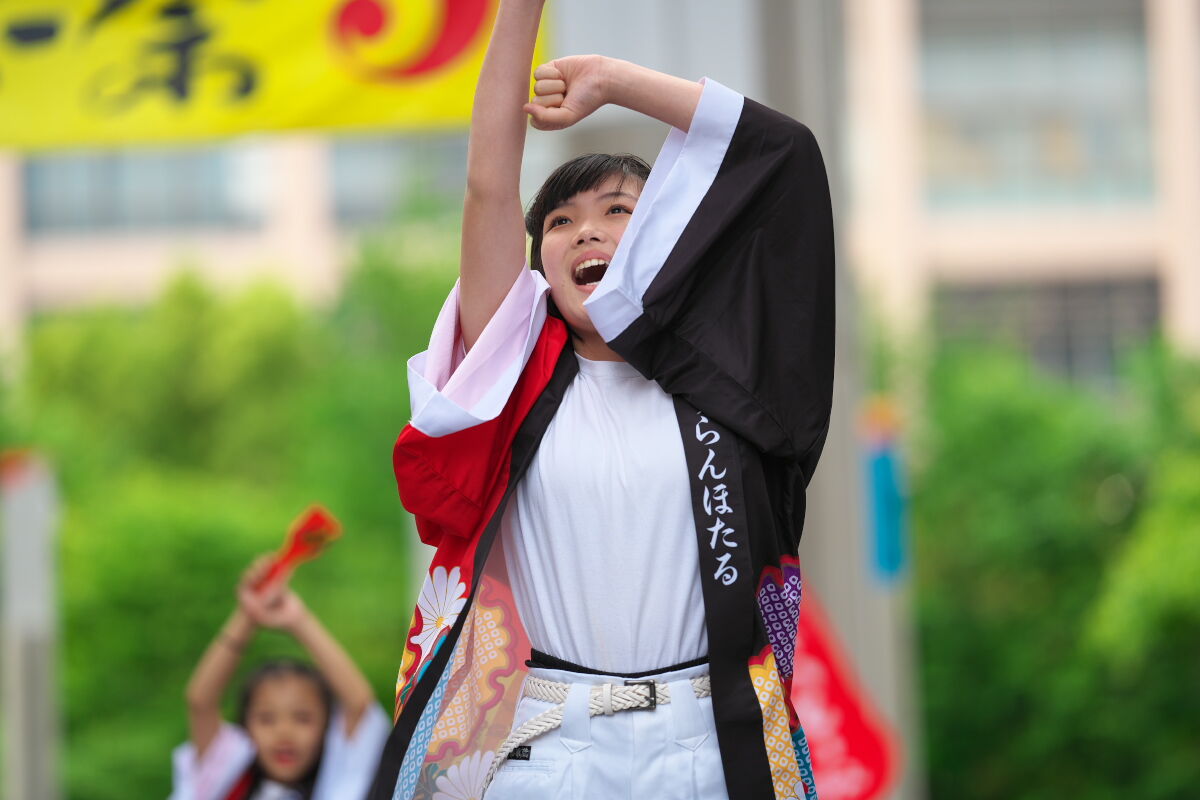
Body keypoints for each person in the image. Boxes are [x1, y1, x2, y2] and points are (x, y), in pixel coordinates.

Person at [370, 0, 834, 798]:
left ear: (665, 241)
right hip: (553, 747)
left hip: (712, 743)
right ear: (539, 261)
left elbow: (785, 153)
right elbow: (488, 186)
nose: (586, 231)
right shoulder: (508, 380)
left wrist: (615, 81)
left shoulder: (738, 382)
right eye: (560, 221)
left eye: (619, 211)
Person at [171, 555, 391, 800]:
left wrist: (299, 620)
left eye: (303, 718)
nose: (284, 733)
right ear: (246, 726)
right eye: (266, 719)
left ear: (327, 727)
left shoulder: (337, 784)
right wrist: (247, 615)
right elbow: (201, 702)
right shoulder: (224, 779)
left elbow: (359, 703)